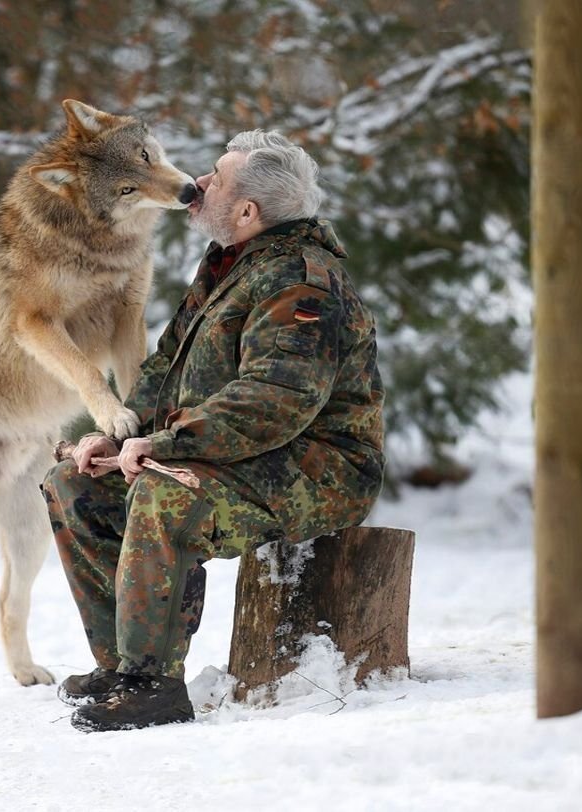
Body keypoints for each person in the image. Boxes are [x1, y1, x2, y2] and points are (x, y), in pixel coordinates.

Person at [40, 130, 386, 732]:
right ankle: (121, 667)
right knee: (74, 484)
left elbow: (273, 402)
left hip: (319, 467)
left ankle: (153, 683)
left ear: (248, 211)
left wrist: (165, 447)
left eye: (217, 179)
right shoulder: (230, 262)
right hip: (237, 453)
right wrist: (121, 437)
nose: (197, 184)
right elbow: (164, 367)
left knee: (165, 493)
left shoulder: (300, 281)